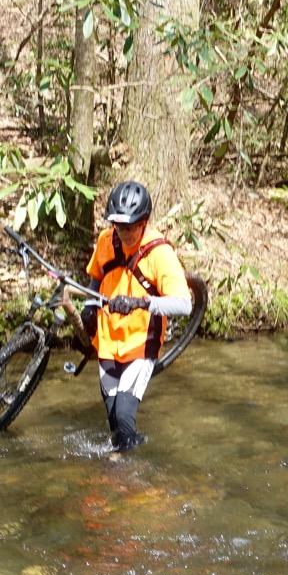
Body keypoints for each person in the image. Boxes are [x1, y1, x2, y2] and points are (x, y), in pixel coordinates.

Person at [60, 180, 192, 452]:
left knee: (124, 416)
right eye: (119, 227)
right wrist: (89, 307)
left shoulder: (160, 254)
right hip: (108, 341)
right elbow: (96, 276)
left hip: (141, 344)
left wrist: (139, 303)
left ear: (144, 222)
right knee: (113, 421)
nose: (125, 234)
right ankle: (123, 463)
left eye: (131, 227)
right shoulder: (106, 240)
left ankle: (127, 480)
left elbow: (183, 305)